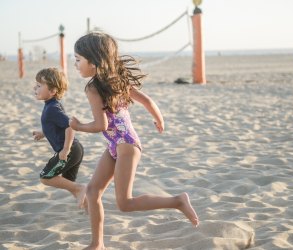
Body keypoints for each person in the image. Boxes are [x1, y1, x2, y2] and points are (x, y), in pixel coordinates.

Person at [70, 32, 199, 250]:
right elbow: (147, 100)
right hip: (117, 145)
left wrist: (78, 126)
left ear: (93, 61)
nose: (75, 65)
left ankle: (178, 200)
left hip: (126, 147)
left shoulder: (93, 88)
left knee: (125, 203)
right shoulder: (116, 79)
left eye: (77, 60)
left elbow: (100, 125)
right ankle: (97, 244)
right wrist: (159, 119)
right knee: (93, 192)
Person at [33, 67, 86, 208]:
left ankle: (81, 189)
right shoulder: (51, 105)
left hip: (70, 151)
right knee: (70, 184)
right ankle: (89, 209)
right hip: (75, 149)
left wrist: (65, 150)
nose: (35, 88)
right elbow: (57, 126)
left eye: (39, 86)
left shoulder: (52, 109)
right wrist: (43, 132)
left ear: (52, 91)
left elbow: (69, 126)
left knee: (45, 177)